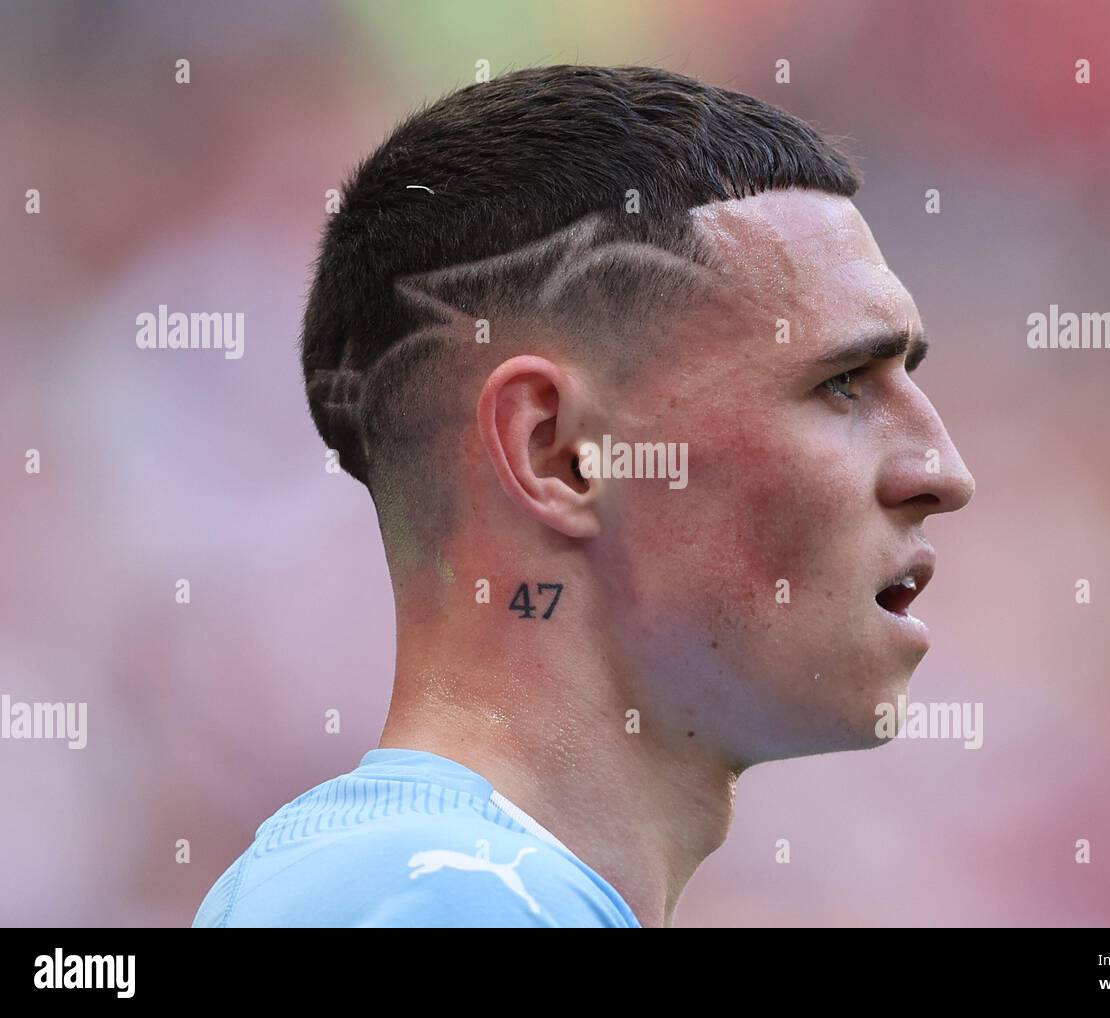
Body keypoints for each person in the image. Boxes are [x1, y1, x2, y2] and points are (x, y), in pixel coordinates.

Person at [193, 63, 975, 929]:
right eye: (841, 383)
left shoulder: (420, 886)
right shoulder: (438, 897)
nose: (942, 472)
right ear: (558, 453)